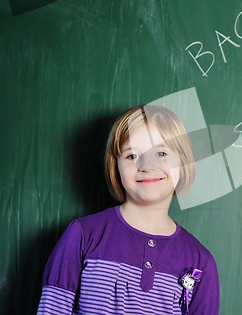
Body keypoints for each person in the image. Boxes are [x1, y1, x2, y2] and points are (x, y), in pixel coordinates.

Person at [37, 105, 220, 315]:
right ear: (116, 166)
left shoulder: (200, 261)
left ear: (183, 163)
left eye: (161, 153)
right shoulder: (82, 235)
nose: (147, 165)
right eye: (132, 156)